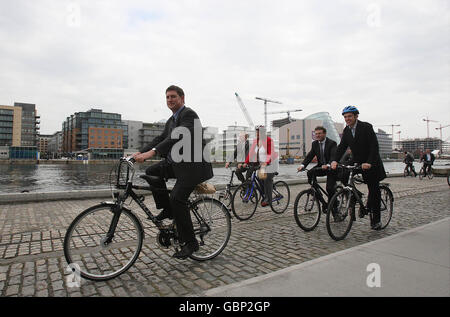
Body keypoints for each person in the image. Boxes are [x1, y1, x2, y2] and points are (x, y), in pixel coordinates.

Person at [133, 85, 213, 259]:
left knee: (177, 198)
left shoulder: (189, 115)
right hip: (179, 164)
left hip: (194, 167)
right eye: (167, 97)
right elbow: (160, 138)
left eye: (173, 97)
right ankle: (168, 210)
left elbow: (175, 137)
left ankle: (191, 244)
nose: (169, 100)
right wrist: (140, 152)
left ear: (182, 98)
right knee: (152, 171)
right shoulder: (171, 120)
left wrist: (152, 152)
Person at [331, 106, 387, 230]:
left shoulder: (366, 127)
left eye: (349, 116)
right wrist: (334, 160)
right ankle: (357, 195)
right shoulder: (346, 131)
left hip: (371, 162)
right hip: (357, 161)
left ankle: (376, 221)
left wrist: (369, 162)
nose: (347, 119)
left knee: (374, 190)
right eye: (345, 117)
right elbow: (341, 147)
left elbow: (374, 147)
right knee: (343, 174)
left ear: (356, 116)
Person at [297, 126, 338, 215]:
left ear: (324, 133)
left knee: (330, 188)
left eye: (319, 133)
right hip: (321, 167)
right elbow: (310, 156)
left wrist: (328, 164)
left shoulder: (332, 143)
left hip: (331, 168)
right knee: (310, 173)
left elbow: (333, 156)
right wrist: (302, 165)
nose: (317, 135)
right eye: (316, 134)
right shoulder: (315, 144)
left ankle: (335, 211)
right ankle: (319, 197)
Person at [242, 125, 278, 207]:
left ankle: (268, 199)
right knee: (259, 177)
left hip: (272, 162)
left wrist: (266, 162)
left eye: (259, 131)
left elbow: (270, 153)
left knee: (266, 178)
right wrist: (246, 162)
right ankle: (266, 192)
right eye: (257, 131)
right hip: (262, 164)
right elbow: (251, 153)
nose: (257, 133)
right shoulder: (256, 141)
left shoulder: (269, 140)